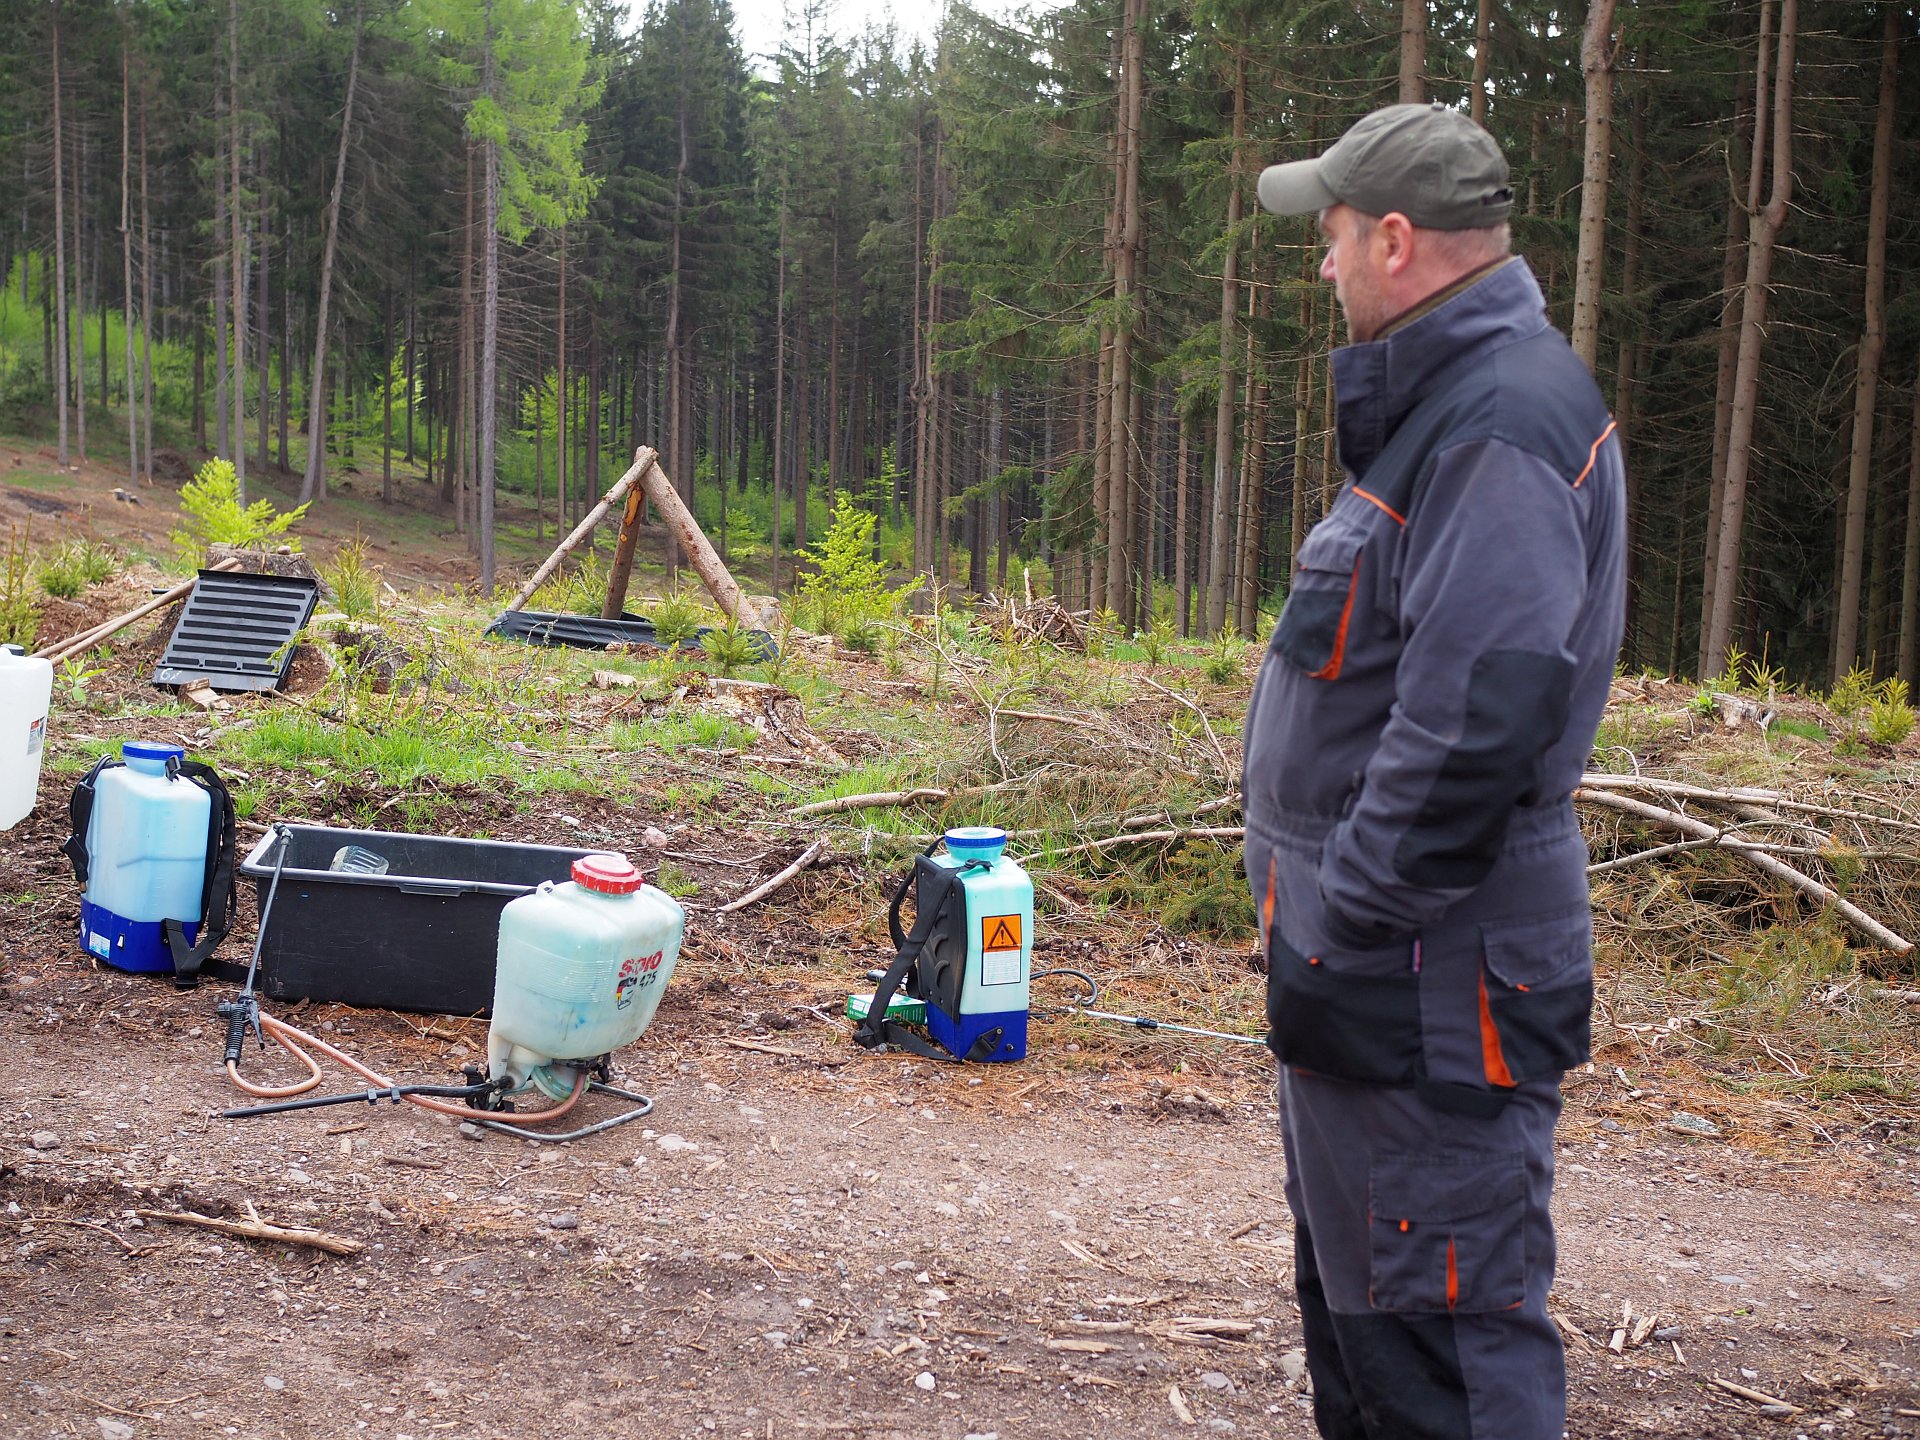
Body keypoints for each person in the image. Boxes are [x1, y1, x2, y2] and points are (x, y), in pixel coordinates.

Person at [1242, 102, 1625, 1440]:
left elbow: (1474, 733)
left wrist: (1339, 926)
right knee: (1374, 1340)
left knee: (1441, 1360)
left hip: (1422, 985)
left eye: (1335, 234)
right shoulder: (1460, 408)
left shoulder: (1496, 429)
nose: (1323, 261)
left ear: (1396, 241)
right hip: (1394, 981)